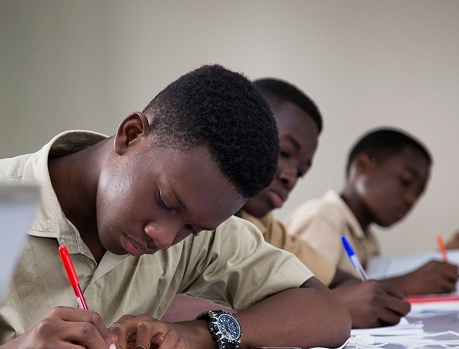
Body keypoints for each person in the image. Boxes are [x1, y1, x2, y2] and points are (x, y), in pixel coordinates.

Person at [0, 65, 350, 349]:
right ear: (131, 134)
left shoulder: (199, 218)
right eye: (165, 201)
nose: (165, 237)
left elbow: (328, 312)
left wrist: (200, 334)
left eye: (190, 228)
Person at [162, 79, 410, 329]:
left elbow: (343, 283)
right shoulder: (186, 216)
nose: (290, 177)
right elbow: (166, 308)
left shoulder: (265, 228)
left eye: (301, 172)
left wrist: (321, 304)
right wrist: (324, 309)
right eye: (284, 153)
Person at [285, 128, 459, 299]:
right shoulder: (324, 218)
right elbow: (305, 300)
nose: (411, 199)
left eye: (419, 193)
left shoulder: (368, 239)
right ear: (362, 166)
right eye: (405, 181)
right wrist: (405, 283)